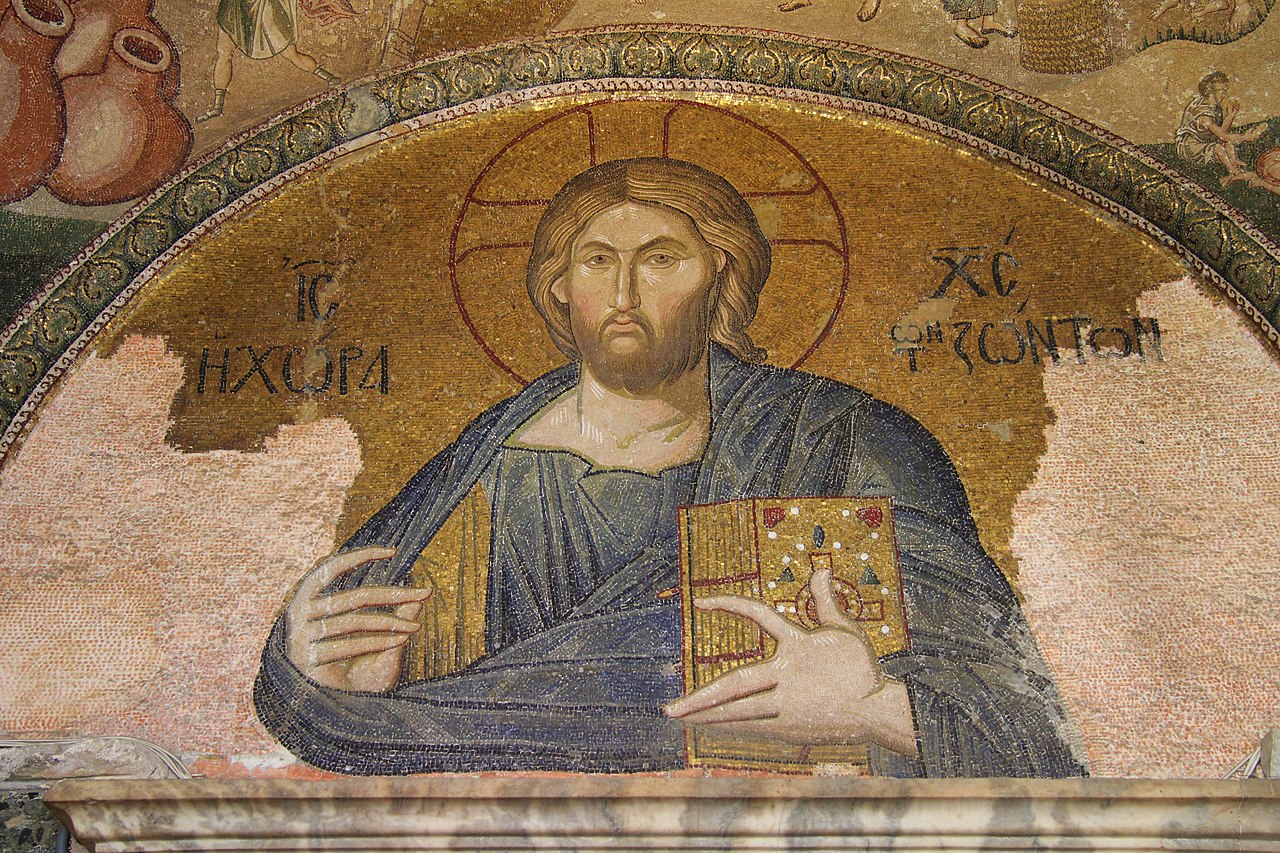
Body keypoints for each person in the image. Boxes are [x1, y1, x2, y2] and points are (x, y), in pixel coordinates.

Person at [254, 157, 1086, 777]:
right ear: (557, 287)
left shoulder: (842, 443)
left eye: (660, 259)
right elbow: (350, 704)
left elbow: (1022, 728)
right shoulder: (483, 469)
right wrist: (321, 678)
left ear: (720, 274)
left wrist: (879, 710)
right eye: (594, 261)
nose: (623, 291)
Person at [197, 0, 355, 122]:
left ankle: (328, 77)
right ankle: (217, 106)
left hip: (264, 6)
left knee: (289, 53)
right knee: (224, 52)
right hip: (234, 6)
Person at [1176, 72, 1266, 186]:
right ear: (1210, 91)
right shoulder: (1204, 115)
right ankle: (1231, 169)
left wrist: (1230, 116)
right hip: (1190, 146)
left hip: (1204, 140)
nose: (1225, 93)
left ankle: (1233, 161)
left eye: (1225, 89)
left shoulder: (1213, 107)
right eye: (1221, 90)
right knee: (1218, 147)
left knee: (1227, 143)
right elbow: (1222, 135)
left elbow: (1221, 132)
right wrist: (1245, 137)